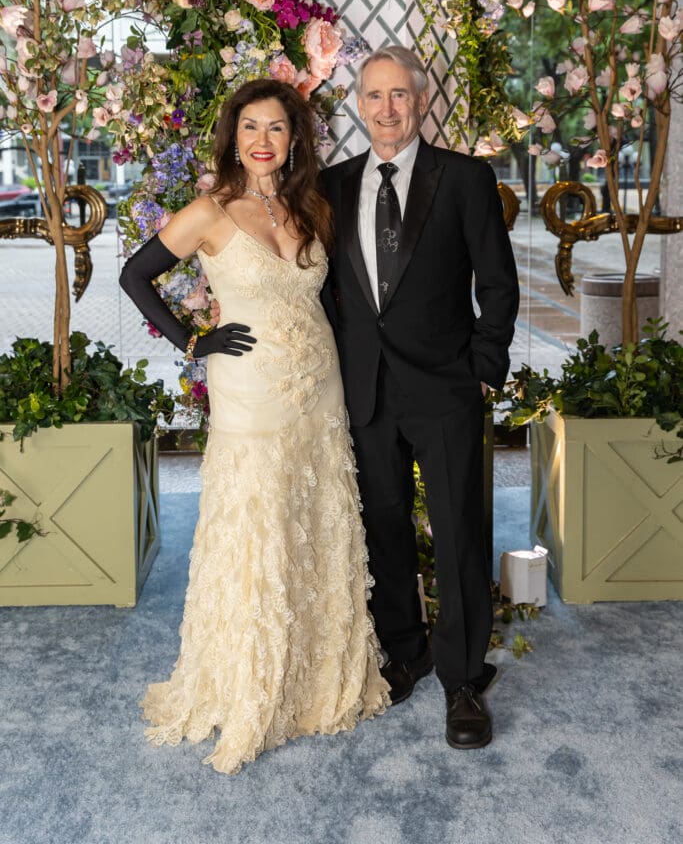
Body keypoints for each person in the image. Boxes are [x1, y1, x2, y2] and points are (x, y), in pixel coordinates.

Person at [119, 78, 389, 774]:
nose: (262, 140)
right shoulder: (209, 211)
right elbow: (135, 276)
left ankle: (317, 675)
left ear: (294, 139)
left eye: (275, 128)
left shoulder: (312, 205)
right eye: (250, 127)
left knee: (316, 516)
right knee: (257, 522)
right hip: (249, 392)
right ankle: (250, 681)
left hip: (319, 389)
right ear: (232, 138)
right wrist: (192, 340)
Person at [320, 47, 519, 750]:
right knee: (383, 528)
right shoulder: (331, 185)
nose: (386, 109)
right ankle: (406, 652)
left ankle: (463, 679)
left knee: (458, 532)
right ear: (357, 104)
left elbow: (497, 282)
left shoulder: (464, 178)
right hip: (364, 391)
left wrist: (482, 369)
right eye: (373, 96)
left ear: (421, 101)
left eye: (399, 94)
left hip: (445, 388)